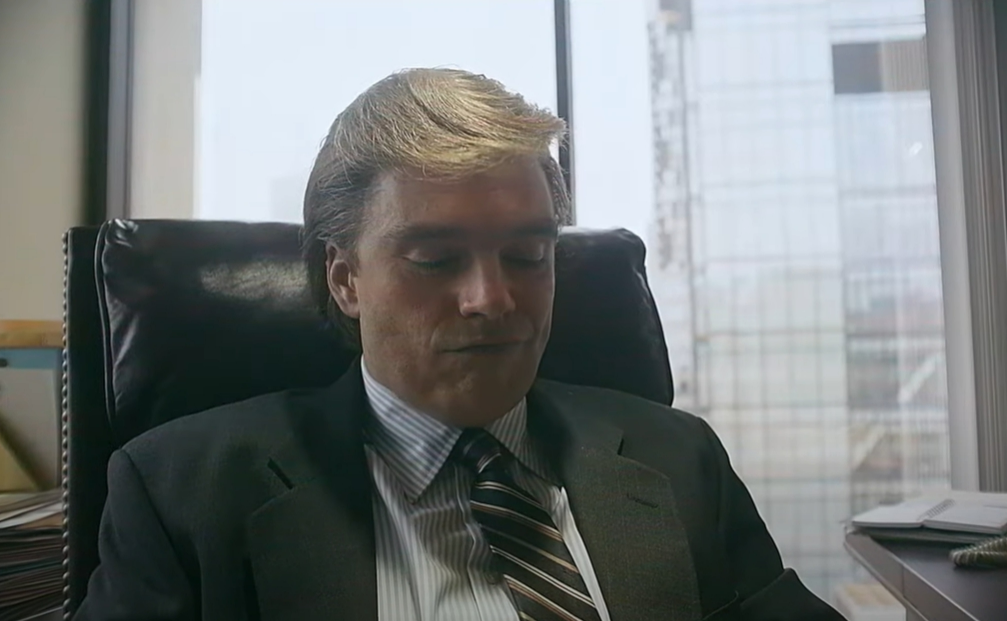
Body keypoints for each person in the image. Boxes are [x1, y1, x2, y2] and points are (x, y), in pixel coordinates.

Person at [75, 68, 845, 621]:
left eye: (527, 255)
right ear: (345, 279)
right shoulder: (182, 490)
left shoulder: (675, 458)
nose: (492, 298)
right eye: (436, 259)